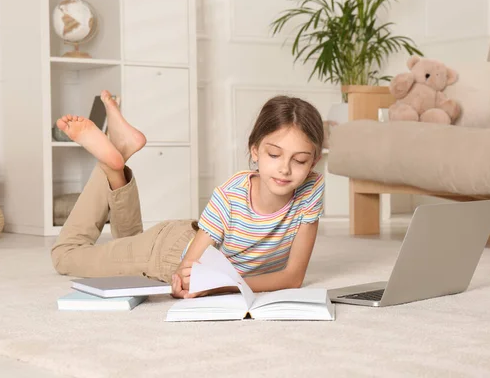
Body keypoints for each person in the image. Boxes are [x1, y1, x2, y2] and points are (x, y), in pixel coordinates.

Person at [51, 91, 325, 299]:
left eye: (299, 160)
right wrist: (200, 285)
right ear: (254, 151)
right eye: (274, 154)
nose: (286, 169)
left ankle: (119, 157)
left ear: (312, 163)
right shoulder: (230, 196)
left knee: (129, 239)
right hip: (164, 253)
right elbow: (185, 275)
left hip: (195, 234)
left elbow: (293, 277)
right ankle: (109, 165)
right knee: (64, 256)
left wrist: (220, 284)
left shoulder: (310, 190)